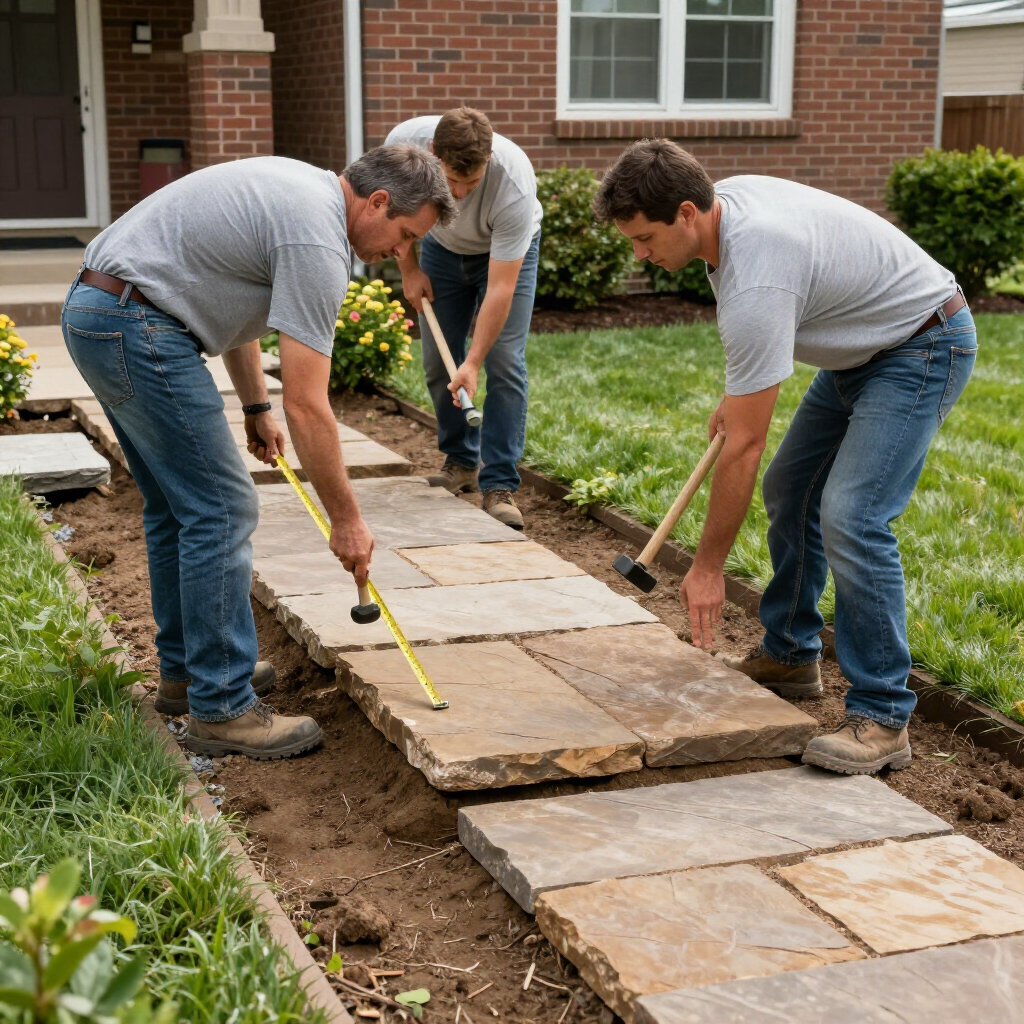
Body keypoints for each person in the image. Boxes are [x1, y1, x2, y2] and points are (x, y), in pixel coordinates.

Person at [595, 139, 976, 776]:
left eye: (644, 237)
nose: (639, 253)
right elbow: (771, 342)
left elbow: (743, 445)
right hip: (862, 347)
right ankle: (792, 656)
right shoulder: (728, 215)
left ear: (688, 213)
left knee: (852, 513)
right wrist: (735, 393)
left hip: (921, 345)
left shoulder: (757, 271)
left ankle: (884, 714)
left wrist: (709, 566)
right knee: (791, 489)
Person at [63, 146, 455, 760]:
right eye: (404, 234)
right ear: (377, 201)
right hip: (138, 324)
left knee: (178, 508)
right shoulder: (320, 240)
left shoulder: (301, 190)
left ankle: (187, 675)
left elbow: (229, 301)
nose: (400, 252)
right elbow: (307, 403)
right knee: (222, 508)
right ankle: (222, 707)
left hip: (101, 311)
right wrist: (346, 519)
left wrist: (252, 407)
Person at [386, 107, 543, 530]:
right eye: (450, 180)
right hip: (439, 248)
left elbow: (500, 289)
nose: (457, 192)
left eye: (470, 182)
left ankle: (499, 485)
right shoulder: (404, 146)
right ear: (432, 152)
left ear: (488, 159)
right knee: (438, 361)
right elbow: (394, 217)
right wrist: (410, 269)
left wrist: (474, 361)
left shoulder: (514, 185)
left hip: (504, 252)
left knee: (504, 361)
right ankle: (460, 461)